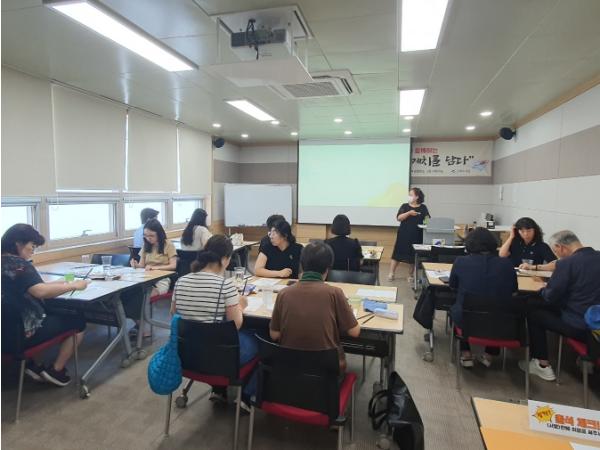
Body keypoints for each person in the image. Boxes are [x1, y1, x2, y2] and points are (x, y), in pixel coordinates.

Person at [172, 235, 257, 405]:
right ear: (225, 259)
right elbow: (236, 325)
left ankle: (219, 390)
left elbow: (174, 314)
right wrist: (240, 305)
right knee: (257, 339)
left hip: (185, 354)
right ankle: (246, 398)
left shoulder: (181, 281)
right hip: (217, 357)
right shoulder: (225, 285)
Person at [1, 224, 89, 386]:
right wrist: (74, 286)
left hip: (4, 334)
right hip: (20, 336)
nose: (33, 251)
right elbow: (40, 291)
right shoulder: (20, 265)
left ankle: (29, 365)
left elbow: (33, 287)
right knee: (78, 321)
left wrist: (63, 282)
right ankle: (56, 370)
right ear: (18, 244)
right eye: (32, 246)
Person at [521, 230, 600, 381]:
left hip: (579, 326)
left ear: (560, 247)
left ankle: (542, 364)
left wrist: (543, 289)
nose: (557, 256)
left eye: (555, 252)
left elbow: (550, 297)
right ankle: (588, 359)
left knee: (533, 312)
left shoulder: (567, 263)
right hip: (597, 327)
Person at [269, 241, 360, 371]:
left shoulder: (283, 293)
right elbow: (354, 332)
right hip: (327, 371)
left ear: (301, 265)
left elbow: (274, 335)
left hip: (290, 369)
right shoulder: (335, 293)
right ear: (328, 268)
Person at [449, 227, 518, 368]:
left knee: (458, 308)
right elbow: (513, 291)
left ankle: (466, 353)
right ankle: (488, 355)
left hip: (467, 320)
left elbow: (453, 286)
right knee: (497, 307)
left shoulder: (461, 261)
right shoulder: (507, 264)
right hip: (502, 323)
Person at [125, 219, 177, 337]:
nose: (148, 238)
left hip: (161, 281)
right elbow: (142, 265)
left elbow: (173, 266)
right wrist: (135, 264)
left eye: (151, 236)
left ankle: (141, 327)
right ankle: (140, 325)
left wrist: (155, 268)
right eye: (145, 236)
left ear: (159, 233)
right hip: (146, 279)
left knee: (141, 297)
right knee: (128, 294)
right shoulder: (146, 245)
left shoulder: (168, 245)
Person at [389, 187, 430, 281]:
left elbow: (427, 219)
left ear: (417, 197)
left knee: (413, 256)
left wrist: (427, 221)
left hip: (417, 235)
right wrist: (409, 213)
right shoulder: (405, 206)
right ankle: (391, 273)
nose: (409, 197)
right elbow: (399, 218)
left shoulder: (423, 207)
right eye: (409, 195)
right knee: (397, 254)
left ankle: (410, 275)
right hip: (404, 234)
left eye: (411, 195)